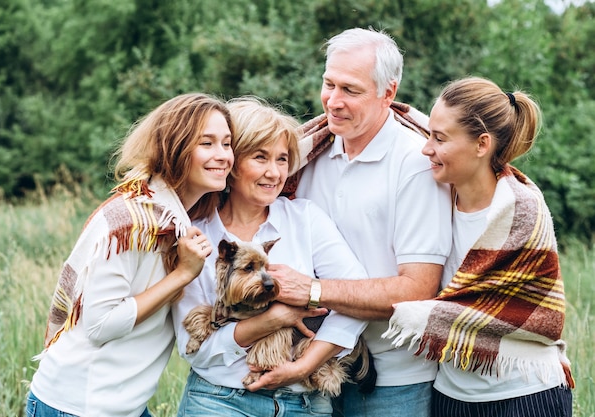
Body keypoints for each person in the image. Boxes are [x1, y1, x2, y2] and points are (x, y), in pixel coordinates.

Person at [245, 28, 453, 417]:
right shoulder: (308, 155)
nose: (333, 102)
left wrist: (313, 290)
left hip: (393, 379)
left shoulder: (413, 164)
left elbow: (418, 289)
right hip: (310, 371)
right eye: (329, 84)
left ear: (387, 93)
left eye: (350, 90)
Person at [26, 93, 234, 417]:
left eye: (227, 144)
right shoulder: (132, 222)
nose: (223, 155)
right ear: (175, 148)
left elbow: (279, 155)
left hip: (125, 407)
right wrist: (182, 274)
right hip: (79, 406)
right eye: (207, 143)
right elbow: (101, 325)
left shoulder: (183, 220)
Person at [382, 76, 574, 416]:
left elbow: (508, 309)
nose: (427, 148)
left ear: (481, 145)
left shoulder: (520, 209)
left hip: (524, 394)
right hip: (451, 395)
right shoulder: (435, 199)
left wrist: (410, 310)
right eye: (429, 134)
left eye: (439, 138)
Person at [173, 96, 369, 417]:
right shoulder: (197, 233)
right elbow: (195, 347)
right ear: (232, 162)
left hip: (304, 402)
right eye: (260, 157)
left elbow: (358, 299)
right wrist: (275, 319)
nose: (274, 172)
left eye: (281, 159)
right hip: (219, 400)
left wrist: (304, 365)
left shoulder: (304, 219)